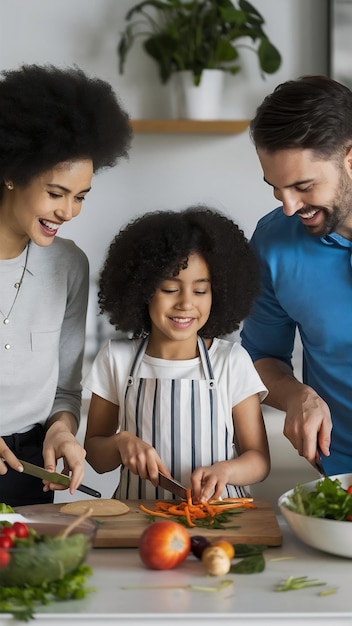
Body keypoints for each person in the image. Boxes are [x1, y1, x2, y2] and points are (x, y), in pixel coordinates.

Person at [0, 63, 132, 506]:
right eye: (56, 193)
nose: (69, 212)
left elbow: (64, 388)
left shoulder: (70, 265)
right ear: (12, 172)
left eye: (80, 197)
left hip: (30, 466)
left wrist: (61, 429)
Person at [83, 206, 270, 502]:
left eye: (200, 291)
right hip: (138, 519)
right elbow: (95, 456)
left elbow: (258, 460)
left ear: (218, 293)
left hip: (221, 517)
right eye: (170, 289)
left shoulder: (231, 361)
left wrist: (225, 472)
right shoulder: (116, 358)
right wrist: (121, 443)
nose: (185, 303)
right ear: (142, 289)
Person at [241, 74, 352, 476]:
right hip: (340, 478)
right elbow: (260, 357)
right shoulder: (273, 243)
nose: (289, 207)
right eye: (276, 187)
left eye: (303, 186)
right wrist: (295, 396)